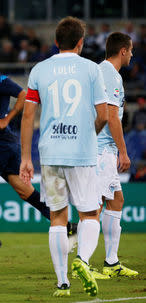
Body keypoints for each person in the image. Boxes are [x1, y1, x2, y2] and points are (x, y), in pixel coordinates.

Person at [20, 17, 108, 297]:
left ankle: (62, 283)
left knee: (57, 217)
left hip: (50, 151)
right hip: (81, 152)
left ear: (56, 42)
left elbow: (27, 115)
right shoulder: (92, 70)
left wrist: (25, 157)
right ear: (81, 43)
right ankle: (82, 260)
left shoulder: (39, 69)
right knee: (90, 214)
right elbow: (104, 115)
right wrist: (87, 134)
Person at [0, 44, 77, 258]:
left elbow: (24, 95)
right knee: (26, 193)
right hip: (6, 146)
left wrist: (8, 118)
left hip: (0, 145)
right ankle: (69, 227)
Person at [95, 32, 138, 278]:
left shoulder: (103, 71)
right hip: (102, 150)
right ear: (122, 50)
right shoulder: (111, 74)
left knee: (116, 200)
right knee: (95, 206)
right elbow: (111, 116)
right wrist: (123, 151)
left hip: (104, 149)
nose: (132, 54)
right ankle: (83, 262)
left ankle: (111, 262)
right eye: (130, 50)